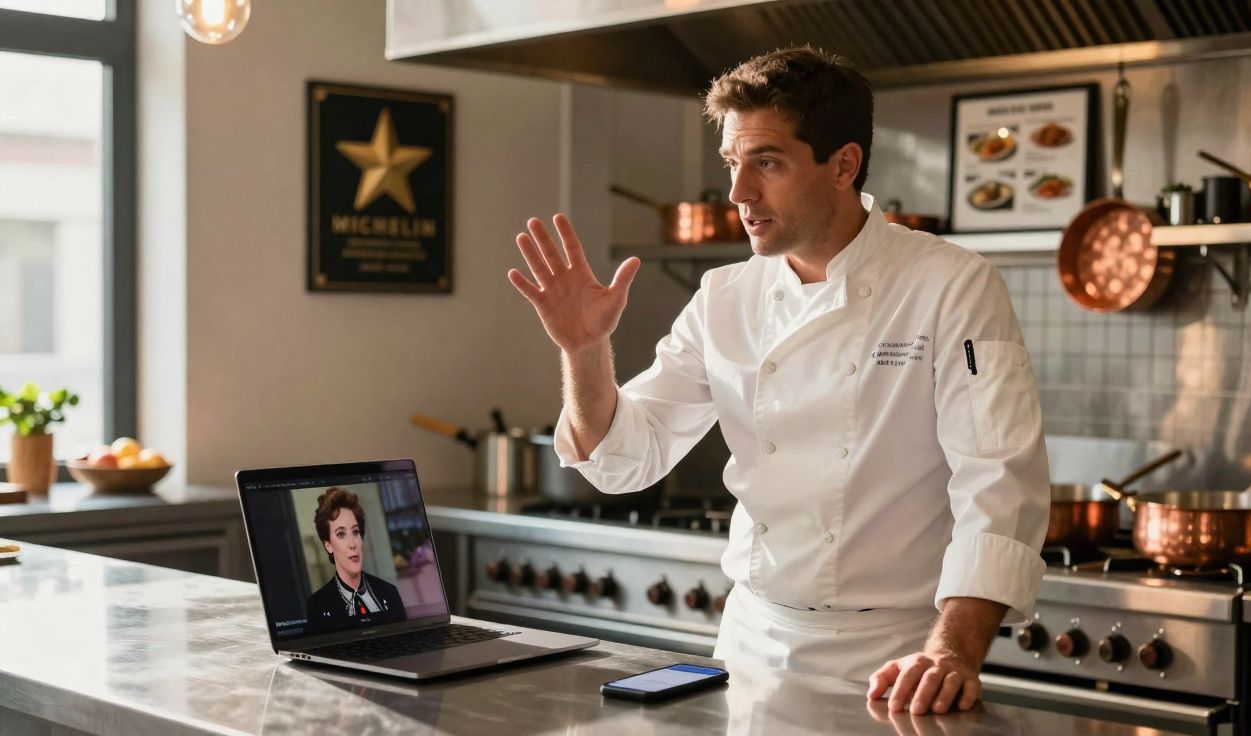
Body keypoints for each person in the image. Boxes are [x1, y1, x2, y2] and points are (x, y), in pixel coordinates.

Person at [507, 46, 1048, 717]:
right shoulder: (724, 296)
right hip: (753, 648)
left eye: (766, 162)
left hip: (898, 662)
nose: (738, 194)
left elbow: (999, 481)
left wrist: (952, 651)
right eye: (733, 164)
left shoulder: (949, 284)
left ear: (843, 165)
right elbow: (623, 462)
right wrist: (585, 351)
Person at [305, 487, 406, 630]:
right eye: (341, 534)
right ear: (328, 546)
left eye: (355, 532)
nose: (352, 544)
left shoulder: (389, 592)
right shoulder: (317, 605)